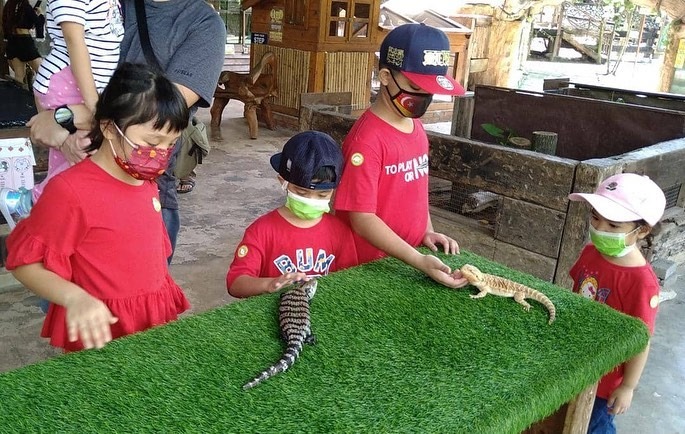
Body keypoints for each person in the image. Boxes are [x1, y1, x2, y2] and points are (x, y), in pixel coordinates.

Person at [4, 63, 191, 352]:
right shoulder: (70, 191)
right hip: (101, 330)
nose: (160, 154)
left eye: (171, 144)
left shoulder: (145, 179)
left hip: (153, 320)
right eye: (152, 142)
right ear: (109, 128)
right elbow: (24, 263)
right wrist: (73, 298)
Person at [24, 0, 226, 261]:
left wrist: (67, 116)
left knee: (135, 291)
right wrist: (64, 134)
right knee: (60, 288)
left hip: (142, 190)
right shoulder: (110, 4)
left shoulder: (202, 23)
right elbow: (63, 67)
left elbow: (160, 111)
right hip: (77, 186)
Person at [333, 23, 468, 289]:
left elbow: (416, 190)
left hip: (408, 257)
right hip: (369, 267)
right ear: (385, 76)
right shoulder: (367, 141)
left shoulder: (415, 126)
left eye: (430, 88)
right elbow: (362, 219)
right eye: (415, 85)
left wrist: (427, 230)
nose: (423, 96)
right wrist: (418, 260)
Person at [568, 172, 666, 434]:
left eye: (613, 226)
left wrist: (628, 387)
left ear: (641, 230)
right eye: (595, 218)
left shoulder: (642, 283)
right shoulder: (590, 253)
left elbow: (641, 339)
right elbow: (576, 292)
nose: (599, 230)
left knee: (593, 426)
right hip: (574, 358)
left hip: (605, 379)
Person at [226, 131, 358, 298]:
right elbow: (236, 283)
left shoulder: (340, 231)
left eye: (322, 195)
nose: (311, 200)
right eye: (301, 193)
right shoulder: (261, 231)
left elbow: (350, 280)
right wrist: (270, 284)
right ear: (283, 182)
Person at [30, 0, 124, 203]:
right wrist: (95, 107)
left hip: (85, 86)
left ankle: (55, 214)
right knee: (87, 152)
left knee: (73, 155)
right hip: (69, 83)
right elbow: (74, 40)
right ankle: (34, 202)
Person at [2, 0, 42, 87]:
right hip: (25, 41)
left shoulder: (9, 5)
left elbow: (6, 23)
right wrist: (39, 14)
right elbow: (37, 22)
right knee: (42, 72)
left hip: (12, 41)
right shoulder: (25, 5)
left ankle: (17, 98)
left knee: (19, 77)